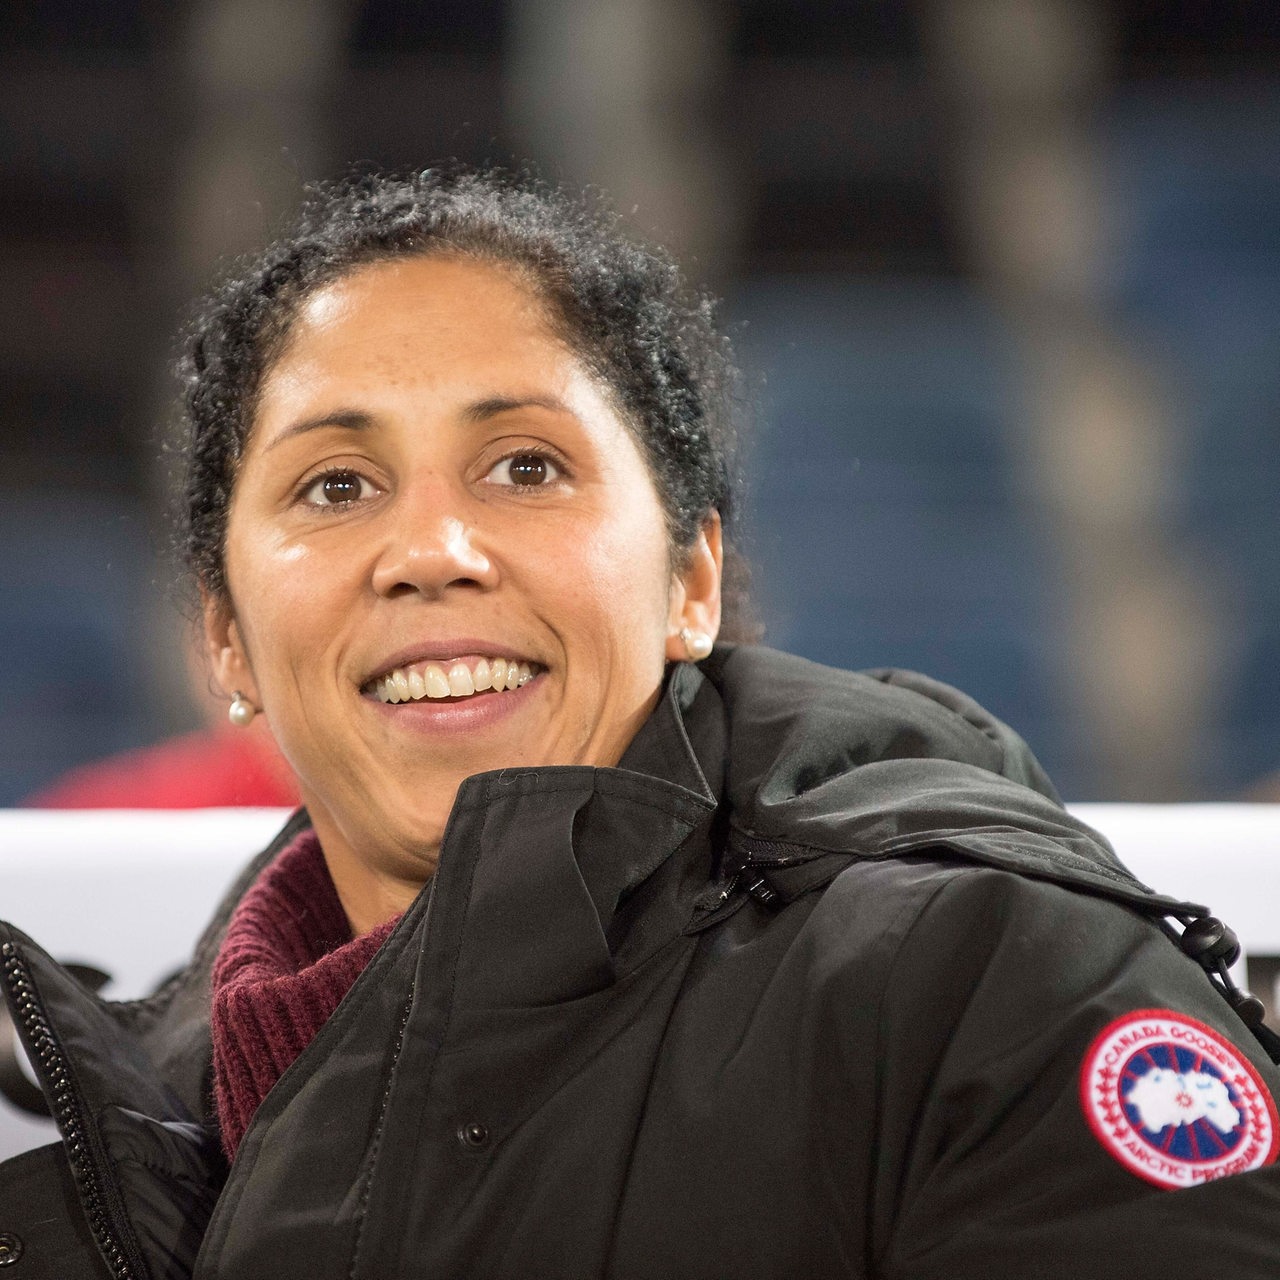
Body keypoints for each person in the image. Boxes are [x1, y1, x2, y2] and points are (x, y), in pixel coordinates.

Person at [3, 167, 1280, 1279]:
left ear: (693, 585)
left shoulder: (987, 986)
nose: (432, 550)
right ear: (227, 636)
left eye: (525, 466)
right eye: (336, 486)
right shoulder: (135, 1101)